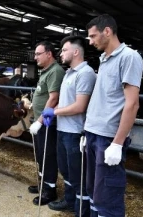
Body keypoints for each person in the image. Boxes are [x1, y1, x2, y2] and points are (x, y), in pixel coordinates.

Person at [84, 14, 143, 217]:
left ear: (107, 31)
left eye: (93, 36)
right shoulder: (104, 59)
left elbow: (132, 103)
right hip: (94, 133)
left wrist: (117, 143)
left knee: (108, 196)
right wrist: (88, 130)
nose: (90, 42)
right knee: (94, 191)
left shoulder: (129, 57)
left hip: (108, 138)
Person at [42, 36, 96, 216]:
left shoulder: (85, 73)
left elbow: (80, 106)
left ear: (76, 51)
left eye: (64, 50)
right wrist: (52, 110)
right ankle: (70, 201)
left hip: (75, 133)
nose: (61, 53)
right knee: (66, 170)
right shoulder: (68, 74)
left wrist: (54, 112)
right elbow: (65, 102)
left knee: (78, 173)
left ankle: (82, 210)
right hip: (63, 130)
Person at [28, 41, 65, 206]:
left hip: (48, 123)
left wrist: (40, 121)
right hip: (40, 121)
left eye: (38, 54)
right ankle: (43, 184)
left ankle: (50, 191)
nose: (35, 57)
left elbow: (54, 98)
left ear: (49, 54)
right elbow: (42, 94)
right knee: (41, 155)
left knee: (48, 156)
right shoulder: (45, 71)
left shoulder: (55, 71)